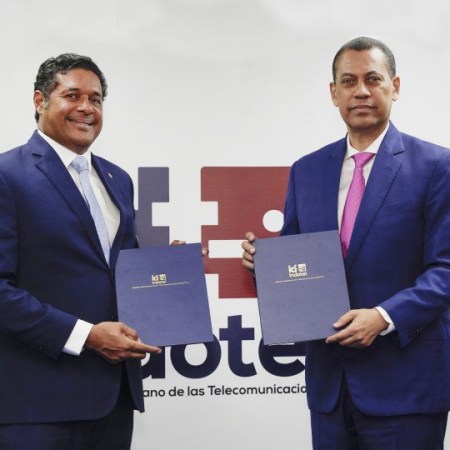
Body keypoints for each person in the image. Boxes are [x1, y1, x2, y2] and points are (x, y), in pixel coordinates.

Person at [242, 36, 450, 449]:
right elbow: (298, 267)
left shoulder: (437, 166)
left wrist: (384, 317)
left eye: (373, 79)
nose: (361, 91)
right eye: (349, 81)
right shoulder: (307, 171)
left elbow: (445, 271)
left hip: (407, 386)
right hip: (330, 388)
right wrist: (263, 263)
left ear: (395, 86)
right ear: (333, 92)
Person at [0, 53, 162, 449]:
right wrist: (86, 335)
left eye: (96, 99)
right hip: (37, 406)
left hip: (114, 400)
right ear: (40, 100)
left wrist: (169, 268)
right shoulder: (7, 175)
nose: (86, 107)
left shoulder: (118, 179)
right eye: (72, 95)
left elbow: (117, 270)